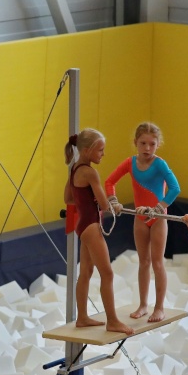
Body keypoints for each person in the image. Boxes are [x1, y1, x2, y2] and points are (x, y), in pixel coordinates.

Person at [104, 122, 180, 323]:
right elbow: (109, 182)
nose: (147, 148)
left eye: (152, 144)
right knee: (143, 262)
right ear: (135, 143)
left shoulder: (159, 164)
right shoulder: (130, 163)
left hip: (158, 218)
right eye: (143, 143)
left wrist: (159, 208)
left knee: (157, 262)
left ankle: (159, 307)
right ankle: (143, 305)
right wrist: (113, 201)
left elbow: (175, 188)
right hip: (140, 219)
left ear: (158, 144)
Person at [64, 129, 133, 336]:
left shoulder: (75, 168)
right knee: (107, 273)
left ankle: (82, 317)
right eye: (101, 150)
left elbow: (68, 198)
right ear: (87, 150)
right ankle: (112, 321)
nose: (103, 154)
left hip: (83, 225)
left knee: (86, 272)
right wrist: (115, 205)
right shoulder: (90, 172)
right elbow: (105, 205)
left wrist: (87, 201)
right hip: (91, 226)